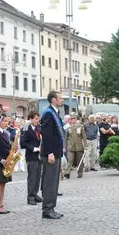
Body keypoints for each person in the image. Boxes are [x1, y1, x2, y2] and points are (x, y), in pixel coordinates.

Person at [40, 91, 65, 220]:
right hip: (51, 153)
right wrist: (50, 152)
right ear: (54, 100)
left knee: (54, 182)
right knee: (50, 182)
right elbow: (46, 135)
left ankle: (51, 207)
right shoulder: (49, 114)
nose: (62, 100)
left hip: (56, 152)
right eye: (60, 98)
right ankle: (47, 209)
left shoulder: (55, 112)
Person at [21, 111, 43, 206]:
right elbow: (23, 143)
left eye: (38, 118)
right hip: (31, 156)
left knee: (38, 176)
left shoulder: (38, 128)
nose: (37, 121)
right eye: (35, 119)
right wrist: (34, 149)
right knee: (32, 177)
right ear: (30, 119)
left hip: (39, 156)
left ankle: (35, 193)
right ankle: (30, 196)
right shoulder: (26, 128)